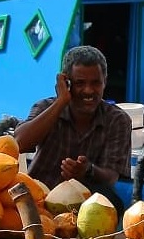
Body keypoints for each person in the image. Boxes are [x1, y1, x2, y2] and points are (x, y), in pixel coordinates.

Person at [14, 45, 133, 213]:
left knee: (114, 201)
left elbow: (111, 177)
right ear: (66, 83)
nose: (88, 90)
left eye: (95, 83)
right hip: (38, 203)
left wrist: (87, 171)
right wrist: (61, 101)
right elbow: (19, 143)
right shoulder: (46, 107)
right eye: (80, 83)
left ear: (105, 82)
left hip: (86, 210)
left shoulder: (117, 120)